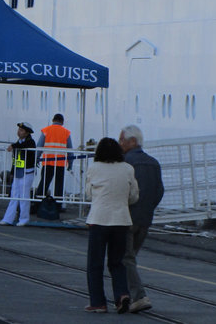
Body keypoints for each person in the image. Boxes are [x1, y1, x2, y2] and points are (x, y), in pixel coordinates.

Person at [84, 136, 138, 313]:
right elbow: (134, 196)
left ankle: (98, 303)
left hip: (99, 220)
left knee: (95, 264)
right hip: (121, 220)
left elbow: (88, 195)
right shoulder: (128, 169)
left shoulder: (93, 168)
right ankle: (122, 294)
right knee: (117, 262)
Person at [119, 125, 164, 314]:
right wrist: (148, 209)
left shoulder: (125, 163)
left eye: (122, 140)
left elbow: (122, 189)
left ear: (132, 141)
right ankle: (125, 296)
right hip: (145, 218)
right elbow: (159, 191)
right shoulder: (154, 163)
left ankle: (139, 296)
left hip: (127, 217)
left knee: (125, 259)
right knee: (129, 258)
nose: (119, 144)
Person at [0, 122, 38, 226]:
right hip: (18, 172)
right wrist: (12, 172)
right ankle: (8, 219)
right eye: (19, 130)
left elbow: (23, 146)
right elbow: (16, 159)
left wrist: (13, 145)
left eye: (21, 130)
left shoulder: (30, 142)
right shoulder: (18, 142)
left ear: (27, 133)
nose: (19, 132)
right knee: (14, 195)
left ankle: (24, 219)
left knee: (24, 196)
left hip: (27, 172)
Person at [35, 113, 73, 206]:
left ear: (53, 120)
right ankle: (58, 205)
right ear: (62, 122)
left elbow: (39, 146)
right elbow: (70, 150)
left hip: (47, 162)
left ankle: (38, 203)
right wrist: (70, 164)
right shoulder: (66, 132)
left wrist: (36, 159)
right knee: (59, 186)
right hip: (60, 163)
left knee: (44, 183)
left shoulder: (46, 130)